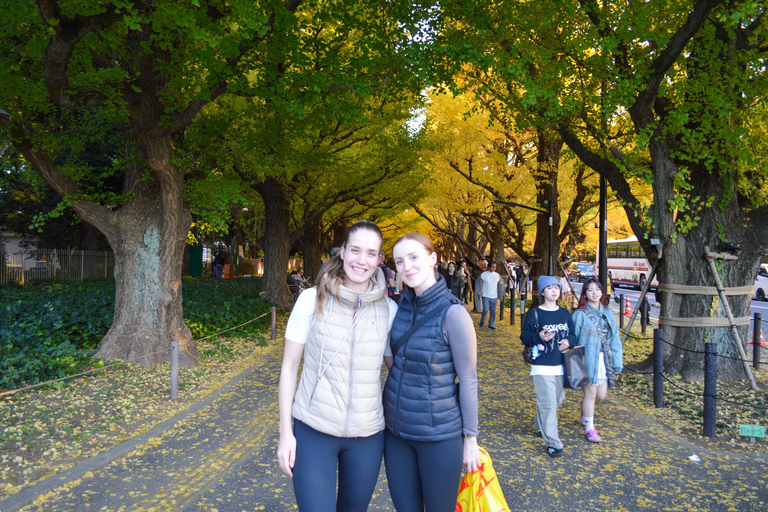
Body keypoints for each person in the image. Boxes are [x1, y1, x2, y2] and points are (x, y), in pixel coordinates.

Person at [277, 220, 399, 512]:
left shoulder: (389, 311)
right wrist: (285, 433)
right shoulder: (310, 300)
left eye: (371, 253)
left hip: (367, 436)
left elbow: (399, 375)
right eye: (355, 250)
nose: (362, 260)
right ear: (342, 252)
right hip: (314, 429)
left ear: (380, 259)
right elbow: (289, 368)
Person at [383, 233, 480, 512]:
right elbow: (396, 361)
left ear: (433, 259)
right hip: (397, 431)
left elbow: (469, 379)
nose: (406, 266)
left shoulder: (453, 313)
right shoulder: (400, 305)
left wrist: (470, 439)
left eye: (414, 257)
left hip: (438, 436)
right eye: (399, 261)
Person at [520, 276, 576, 457]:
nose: (554, 291)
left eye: (557, 288)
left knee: (557, 400)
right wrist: (540, 337)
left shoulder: (565, 314)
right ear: (542, 291)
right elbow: (525, 336)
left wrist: (568, 341)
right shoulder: (535, 314)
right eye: (550, 288)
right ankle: (553, 443)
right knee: (549, 403)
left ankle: (540, 423)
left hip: (561, 365)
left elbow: (574, 335)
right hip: (541, 366)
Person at [572, 277, 623, 443]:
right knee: (591, 392)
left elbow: (614, 339)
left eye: (597, 289)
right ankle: (589, 428)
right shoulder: (579, 315)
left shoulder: (608, 313)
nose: (594, 293)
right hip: (587, 359)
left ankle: (585, 412)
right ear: (585, 294)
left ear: (602, 292)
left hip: (603, 359)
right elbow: (573, 338)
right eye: (590, 290)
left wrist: (617, 363)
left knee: (601, 395)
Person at [478, 261, 501, 331]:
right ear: (489, 267)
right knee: (485, 309)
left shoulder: (497, 275)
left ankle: (491, 325)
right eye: (492, 267)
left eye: (495, 267)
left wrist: (500, 295)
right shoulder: (484, 275)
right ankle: (482, 321)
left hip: (494, 296)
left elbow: (500, 286)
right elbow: (479, 284)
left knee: (493, 311)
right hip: (485, 295)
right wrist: (480, 294)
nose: (493, 269)